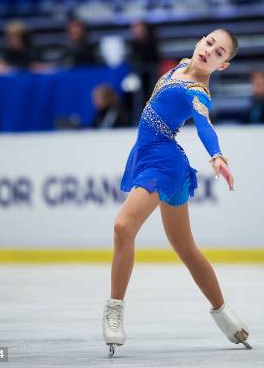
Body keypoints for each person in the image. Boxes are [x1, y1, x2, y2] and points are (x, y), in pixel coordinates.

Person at [102, 29, 251, 357]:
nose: (209, 51)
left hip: (162, 164)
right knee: (186, 248)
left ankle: (114, 309)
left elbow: (204, 124)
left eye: (219, 53)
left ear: (222, 66)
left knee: (122, 227)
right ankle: (226, 316)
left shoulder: (198, 92)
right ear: (200, 40)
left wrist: (217, 156)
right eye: (209, 42)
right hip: (154, 155)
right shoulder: (182, 64)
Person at [125, 20, 160, 107]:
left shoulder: (152, 43)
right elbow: (133, 62)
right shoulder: (132, 45)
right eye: (135, 30)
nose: (137, 32)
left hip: (151, 74)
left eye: (140, 30)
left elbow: (154, 59)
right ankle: (138, 115)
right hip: (138, 74)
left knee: (152, 91)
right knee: (137, 93)